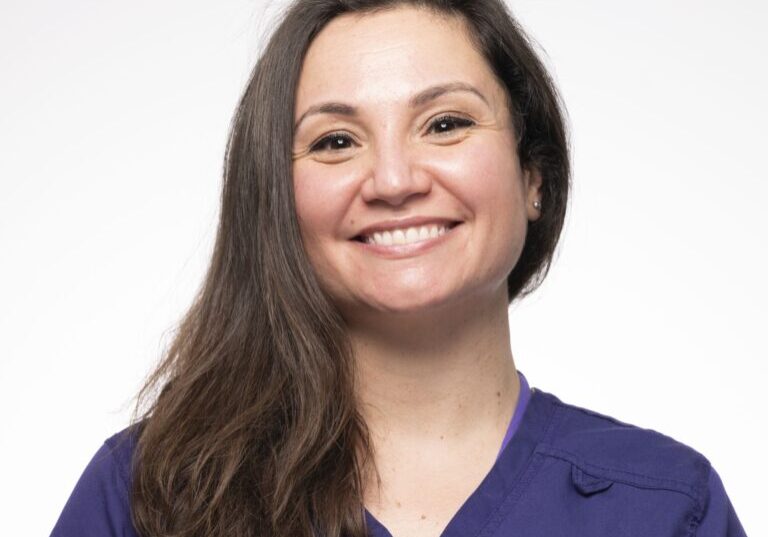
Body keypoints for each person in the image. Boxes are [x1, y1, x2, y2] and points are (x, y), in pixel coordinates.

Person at [49, 1, 748, 536]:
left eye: (445, 124)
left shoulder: (665, 507)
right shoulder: (150, 496)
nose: (393, 180)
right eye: (335, 141)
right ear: (276, 198)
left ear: (534, 174)